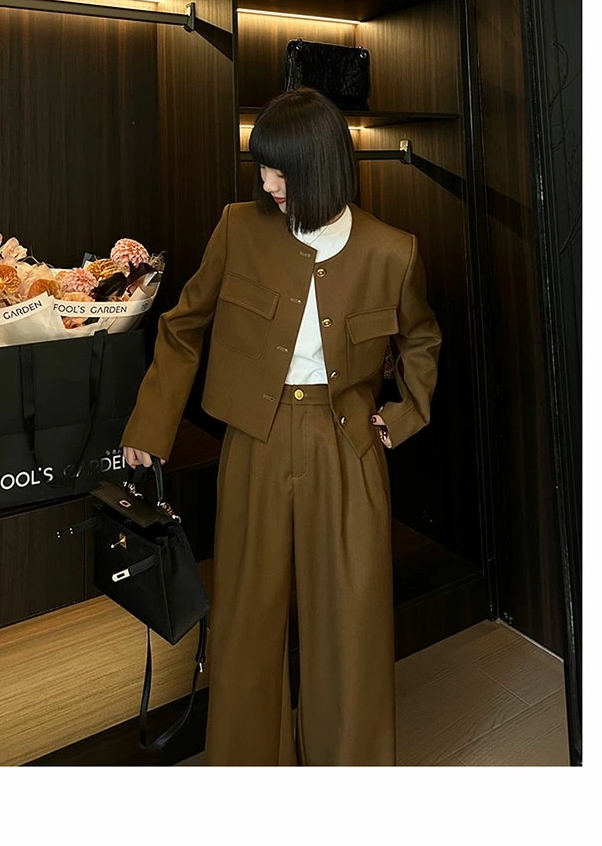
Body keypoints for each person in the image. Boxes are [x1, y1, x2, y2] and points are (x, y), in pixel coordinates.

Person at [121, 87, 442, 766]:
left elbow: (421, 338)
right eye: (262, 168)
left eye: (281, 172)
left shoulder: (392, 251)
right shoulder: (238, 228)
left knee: (351, 620)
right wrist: (151, 425)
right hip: (255, 441)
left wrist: (404, 415)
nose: (267, 185)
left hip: (347, 445)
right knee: (247, 618)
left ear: (321, 168)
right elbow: (182, 327)